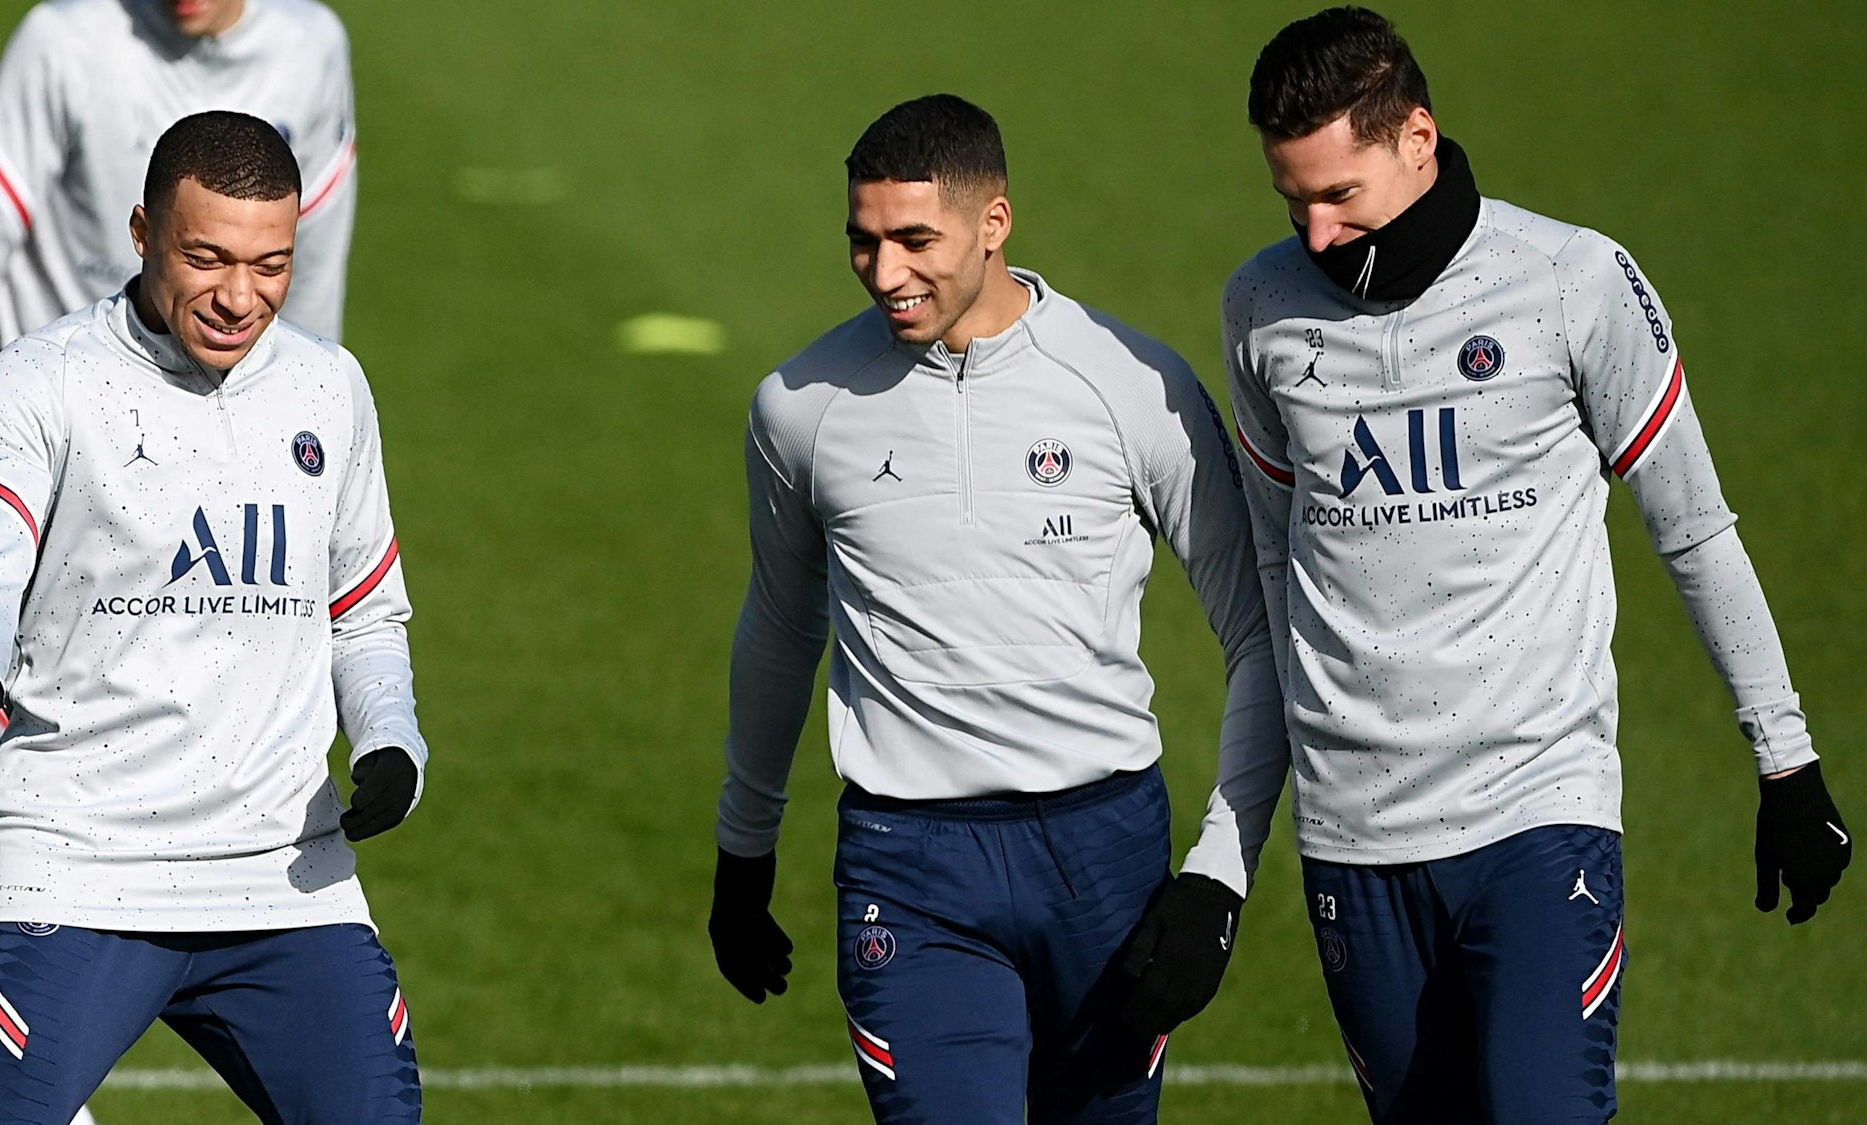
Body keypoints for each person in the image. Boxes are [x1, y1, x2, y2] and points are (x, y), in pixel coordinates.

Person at [1220, 9, 1852, 1122]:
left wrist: (1784, 760)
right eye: (1292, 200)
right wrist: (1234, 845)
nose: (1315, 232)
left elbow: (1695, 529)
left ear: (1416, 137)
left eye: (1339, 195)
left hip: (1536, 811)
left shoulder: (1568, 280)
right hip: (1351, 836)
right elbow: (1279, 573)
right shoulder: (1261, 307)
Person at [707, 94, 1289, 1125]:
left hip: (1104, 857)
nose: (884, 272)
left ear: (994, 222)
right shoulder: (801, 407)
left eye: (914, 240)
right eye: (862, 241)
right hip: (908, 865)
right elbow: (783, 627)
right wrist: (742, 851)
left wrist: (1217, 875)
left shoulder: (1131, 384)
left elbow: (1258, 631)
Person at [0, 111, 424, 1125]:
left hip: (283, 879)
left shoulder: (329, 388)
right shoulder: (39, 382)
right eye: (207, 258)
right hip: (72, 870)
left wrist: (391, 739)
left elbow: (365, 610)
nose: (240, 297)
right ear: (143, 232)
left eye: (270, 265)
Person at [0, 0, 358, 573]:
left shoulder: (310, 49)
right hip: (51, 447)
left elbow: (312, 272)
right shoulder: (64, 41)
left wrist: (312, 427)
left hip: (215, 460)